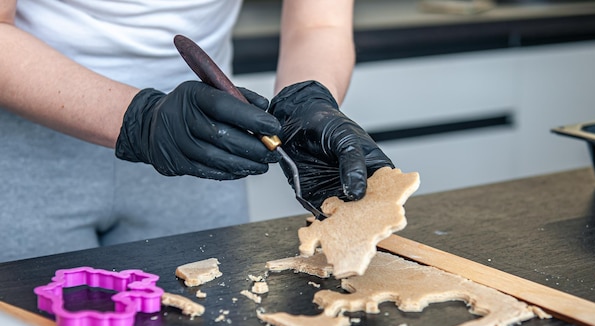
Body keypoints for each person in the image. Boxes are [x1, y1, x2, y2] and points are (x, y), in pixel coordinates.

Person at [0, 0, 393, 263]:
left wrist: (307, 99)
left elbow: (318, 22)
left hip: (204, 146)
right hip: (26, 154)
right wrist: (141, 119)